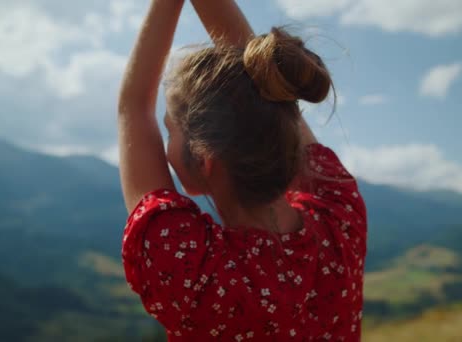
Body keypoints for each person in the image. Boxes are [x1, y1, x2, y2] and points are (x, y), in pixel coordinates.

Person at [118, 0, 367, 340]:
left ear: (205, 160)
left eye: (170, 131)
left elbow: (133, 107)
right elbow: (272, 93)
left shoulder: (193, 269)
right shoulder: (341, 219)